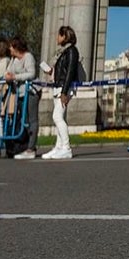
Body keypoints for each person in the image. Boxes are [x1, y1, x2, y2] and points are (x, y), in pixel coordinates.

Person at [41, 25, 80, 160]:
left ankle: (66, 147)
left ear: (65, 36)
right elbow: (62, 70)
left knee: (57, 117)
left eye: (59, 35)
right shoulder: (63, 52)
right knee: (59, 118)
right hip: (58, 87)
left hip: (64, 88)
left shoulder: (71, 51)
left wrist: (64, 92)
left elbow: (70, 71)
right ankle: (58, 147)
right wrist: (51, 71)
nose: (57, 38)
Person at [4, 36, 40, 159]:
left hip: (31, 92)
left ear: (16, 47)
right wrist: (8, 77)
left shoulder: (28, 57)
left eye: (11, 46)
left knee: (32, 120)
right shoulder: (13, 60)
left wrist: (15, 77)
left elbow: (31, 73)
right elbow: (8, 72)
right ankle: (25, 146)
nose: (9, 49)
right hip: (20, 93)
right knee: (23, 120)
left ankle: (31, 148)